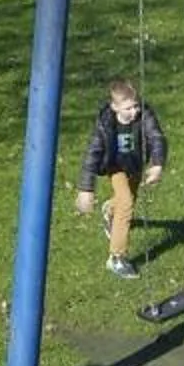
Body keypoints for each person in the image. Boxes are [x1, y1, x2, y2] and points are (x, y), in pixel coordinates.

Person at [74, 78, 165, 277]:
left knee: (128, 199)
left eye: (135, 106)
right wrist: (86, 189)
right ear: (114, 107)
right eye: (128, 109)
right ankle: (116, 257)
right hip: (115, 166)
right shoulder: (105, 123)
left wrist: (157, 164)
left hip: (135, 164)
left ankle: (110, 211)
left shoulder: (144, 115)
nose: (134, 112)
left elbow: (156, 137)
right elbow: (92, 154)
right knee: (126, 203)